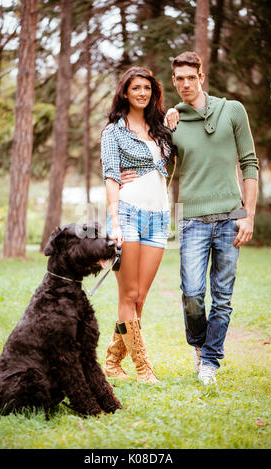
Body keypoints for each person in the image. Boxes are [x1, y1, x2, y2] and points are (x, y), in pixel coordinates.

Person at [121, 52, 259, 385]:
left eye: (190, 77)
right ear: (174, 81)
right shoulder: (173, 121)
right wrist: (130, 176)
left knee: (222, 297)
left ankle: (210, 361)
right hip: (192, 220)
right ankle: (199, 347)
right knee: (193, 294)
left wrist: (249, 215)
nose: (184, 84)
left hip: (230, 218)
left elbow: (250, 163)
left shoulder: (232, 111)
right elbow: (162, 168)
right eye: (178, 79)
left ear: (202, 77)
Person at [100, 66, 175, 384]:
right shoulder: (113, 132)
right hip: (127, 215)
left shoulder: (160, 128)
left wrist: (173, 117)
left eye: (147, 87)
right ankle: (144, 368)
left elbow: (169, 161)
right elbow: (111, 176)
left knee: (140, 297)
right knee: (128, 294)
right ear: (125, 93)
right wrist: (114, 221)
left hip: (159, 217)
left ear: (153, 91)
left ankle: (112, 361)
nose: (142, 93)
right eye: (136, 88)